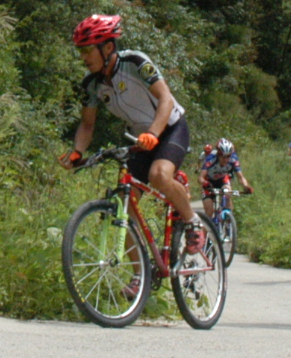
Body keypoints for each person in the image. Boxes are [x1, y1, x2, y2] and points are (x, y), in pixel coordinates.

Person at [63, 14, 207, 252]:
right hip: (139, 140)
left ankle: (193, 222)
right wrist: (77, 152)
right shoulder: (90, 83)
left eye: (88, 50)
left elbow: (166, 100)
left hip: (170, 127)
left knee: (158, 175)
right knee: (124, 205)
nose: (83, 57)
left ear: (108, 47)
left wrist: (153, 132)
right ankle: (140, 277)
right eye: (81, 51)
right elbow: (87, 125)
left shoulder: (135, 62)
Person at [196, 137, 253, 226]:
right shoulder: (210, 159)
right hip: (209, 182)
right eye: (223, 156)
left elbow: (241, 177)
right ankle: (203, 236)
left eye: (228, 156)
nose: (226, 159)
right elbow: (200, 178)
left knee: (228, 193)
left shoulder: (233, 159)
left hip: (222, 180)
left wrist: (246, 186)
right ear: (218, 154)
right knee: (209, 211)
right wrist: (205, 183)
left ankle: (229, 223)